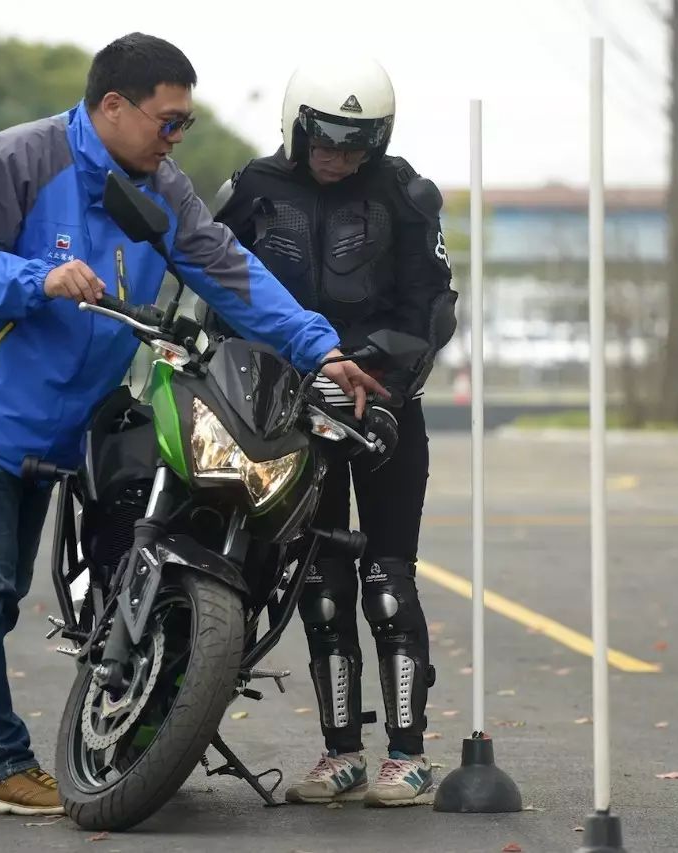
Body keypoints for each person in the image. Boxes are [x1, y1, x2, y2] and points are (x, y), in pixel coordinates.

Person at [0, 33, 385, 818]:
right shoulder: (22, 158)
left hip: (56, 433)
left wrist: (319, 348)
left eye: (184, 125)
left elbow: (227, 268)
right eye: (168, 121)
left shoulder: (164, 188)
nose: (176, 138)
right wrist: (38, 277)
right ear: (112, 107)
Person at [207, 56, 457, 807]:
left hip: (379, 406)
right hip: (283, 412)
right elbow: (210, 286)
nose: (337, 155)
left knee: (387, 578)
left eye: (356, 143)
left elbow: (434, 308)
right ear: (296, 125)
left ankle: (407, 753)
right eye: (324, 138)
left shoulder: (406, 194)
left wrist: (382, 376)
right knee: (319, 580)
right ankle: (340, 751)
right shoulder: (251, 191)